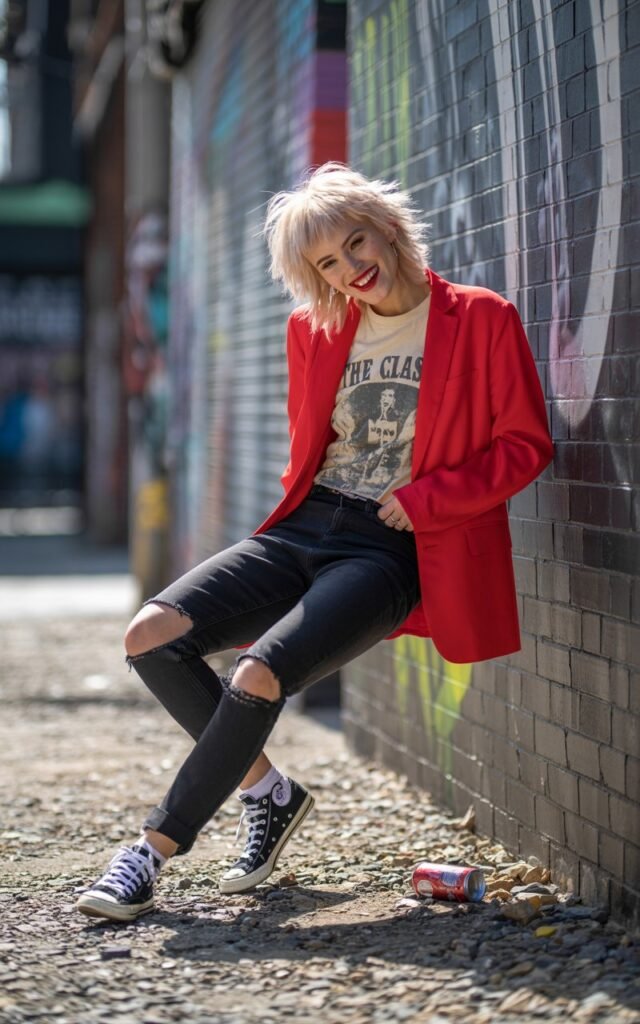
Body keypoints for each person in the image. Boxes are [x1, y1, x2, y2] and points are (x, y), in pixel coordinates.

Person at [76, 163, 553, 922]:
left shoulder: (480, 317)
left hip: (392, 545)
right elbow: (313, 443)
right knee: (151, 635)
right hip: (308, 523)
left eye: (355, 243)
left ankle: (149, 853)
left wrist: (425, 499)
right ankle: (269, 793)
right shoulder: (315, 329)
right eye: (327, 263)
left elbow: (525, 445)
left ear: (387, 228)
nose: (349, 269)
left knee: (258, 673)